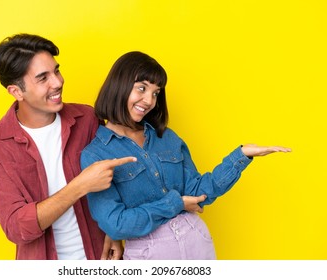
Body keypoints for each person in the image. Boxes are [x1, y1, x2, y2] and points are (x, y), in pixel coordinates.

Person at [80, 51, 292, 260]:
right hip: (149, 255)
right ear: (119, 85)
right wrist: (176, 203)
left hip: (197, 242)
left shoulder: (166, 137)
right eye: (142, 88)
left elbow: (199, 192)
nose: (149, 100)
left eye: (156, 93)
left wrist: (240, 157)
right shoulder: (96, 154)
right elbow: (116, 224)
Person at [0, 33, 136, 260]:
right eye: (43, 78)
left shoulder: (87, 118)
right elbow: (17, 227)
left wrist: (114, 233)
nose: (58, 82)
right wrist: (79, 186)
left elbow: (115, 185)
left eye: (57, 71)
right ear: (16, 91)